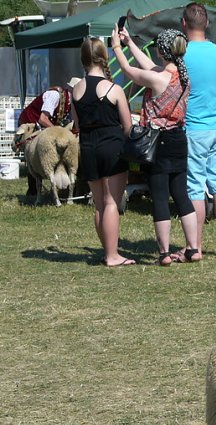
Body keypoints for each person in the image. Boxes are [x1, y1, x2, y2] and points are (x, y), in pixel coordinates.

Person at [113, 27, 201, 266]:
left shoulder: (158, 78)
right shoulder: (182, 76)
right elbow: (149, 67)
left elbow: (130, 71)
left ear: (162, 52)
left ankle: (163, 253)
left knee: (160, 197)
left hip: (158, 142)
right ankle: (193, 248)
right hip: (178, 138)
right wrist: (130, 42)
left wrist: (117, 48)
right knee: (181, 194)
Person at [70, 39, 134, 267]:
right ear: (103, 57)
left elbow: (76, 124)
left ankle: (107, 250)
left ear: (83, 60)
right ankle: (113, 255)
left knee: (99, 204)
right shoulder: (113, 89)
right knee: (111, 203)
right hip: (111, 146)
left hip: (87, 147)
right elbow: (127, 125)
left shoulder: (75, 90)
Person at [181, 2, 216, 257]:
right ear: (207, 25)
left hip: (193, 128)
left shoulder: (182, 55)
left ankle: (197, 246)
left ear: (184, 24)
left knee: (194, 187)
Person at [18, 78, 81, 199]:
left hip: (45, 127)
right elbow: (43, 119)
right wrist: (58, 131)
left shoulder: (70, 103)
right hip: (30, 123)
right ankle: (33, 192)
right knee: (33, 154)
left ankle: (58, 189)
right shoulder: (55, 95)